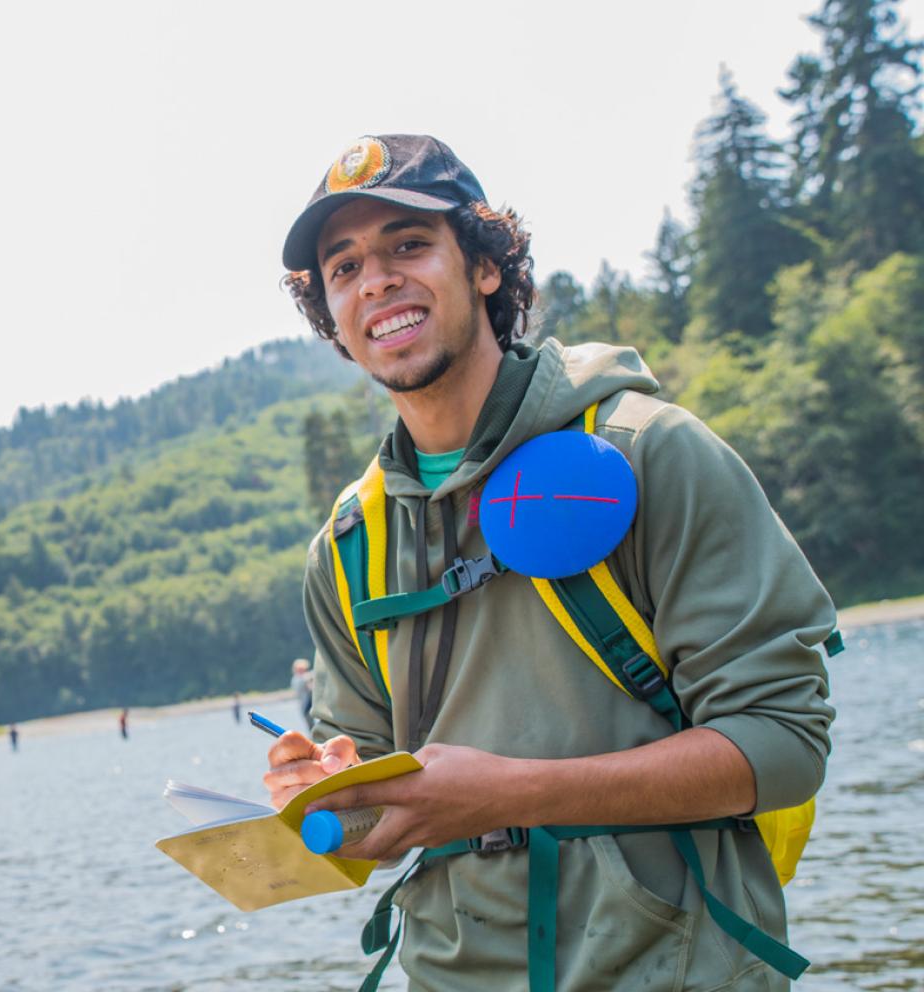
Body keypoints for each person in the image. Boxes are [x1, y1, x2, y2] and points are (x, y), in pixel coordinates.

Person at [264, 135, 836, 992]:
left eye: (408, 245)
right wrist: (322, 798)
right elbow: (375, 815)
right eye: (343, 268)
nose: (375, 280)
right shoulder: (347, 549)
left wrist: (517, 793)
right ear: (334, 320)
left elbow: (783, 744)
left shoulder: (652, 454)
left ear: (485, 268)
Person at [290, 658, 314, 724]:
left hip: (309, 705)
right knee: (311, 725)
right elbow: (307, 680)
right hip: (306, 706)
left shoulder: (299, 678)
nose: (303, 671)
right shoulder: (297, 679)